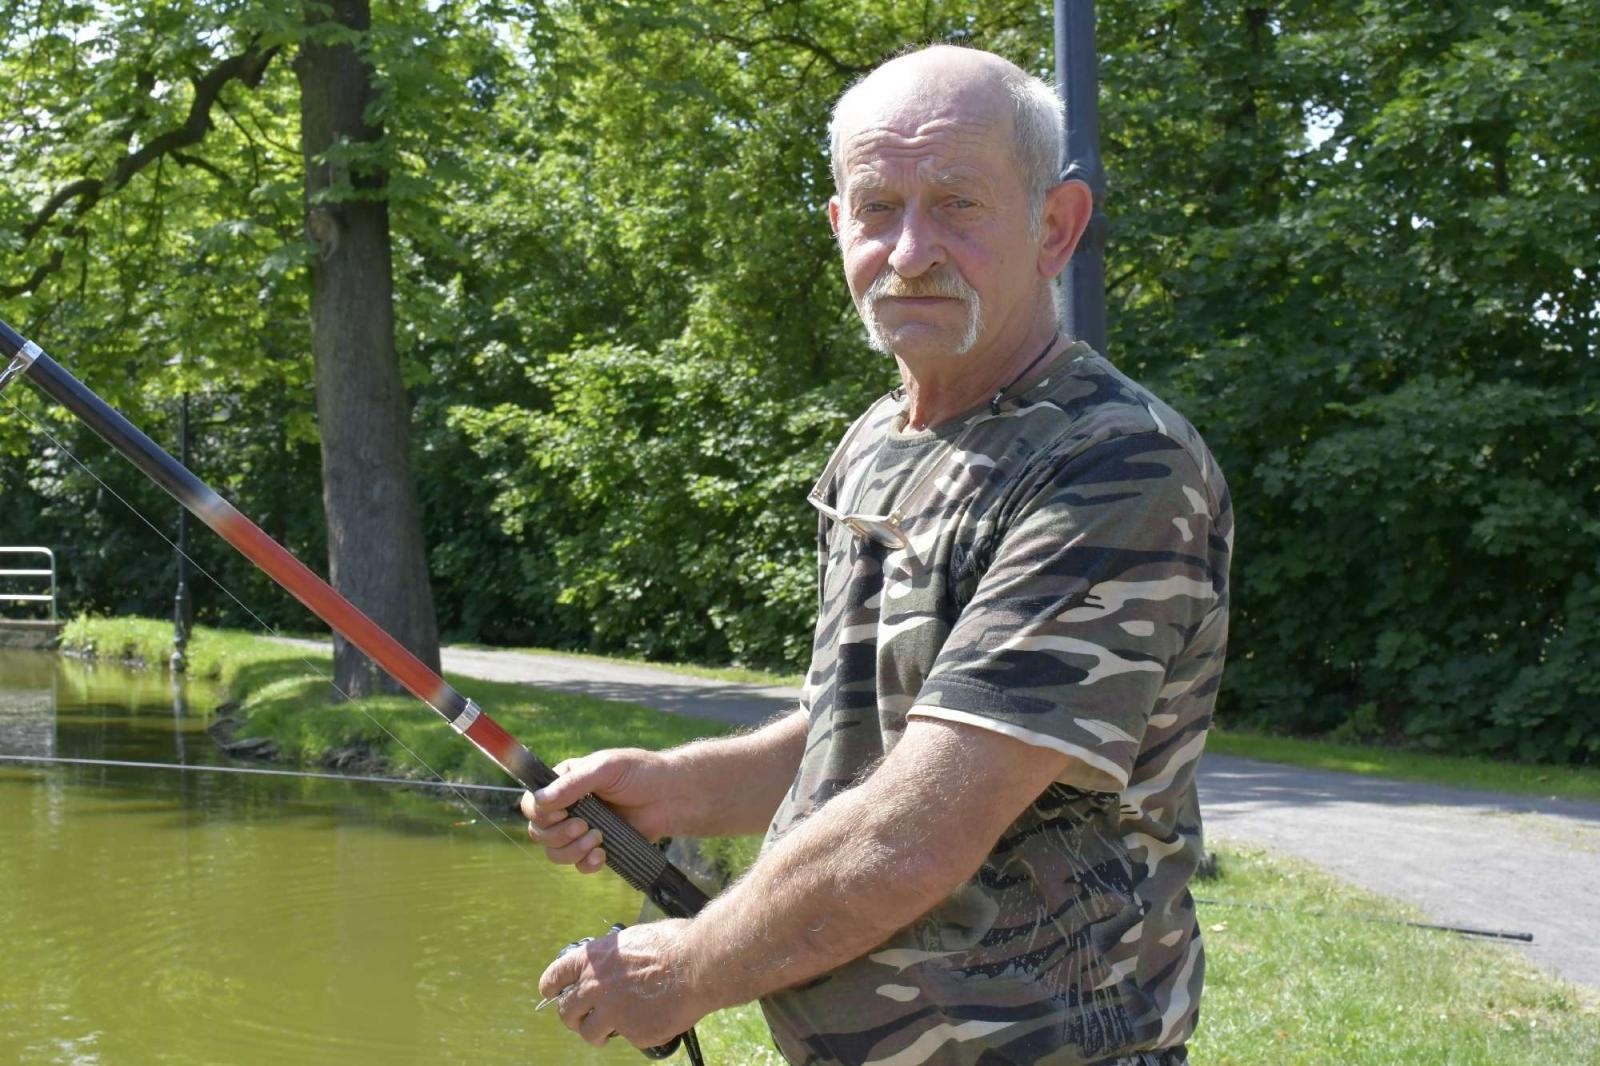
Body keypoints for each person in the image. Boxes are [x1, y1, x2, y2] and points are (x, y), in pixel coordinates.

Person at [522, 43, 1232, 1066]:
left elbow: (914, 828)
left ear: (1055, 227)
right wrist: (675, 785)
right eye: (875, 207)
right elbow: (858, 729)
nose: (907, 250)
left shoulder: (1116, 466)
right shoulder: (877, 441)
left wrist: (683, 971)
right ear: (836, 228)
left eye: (956, 205)